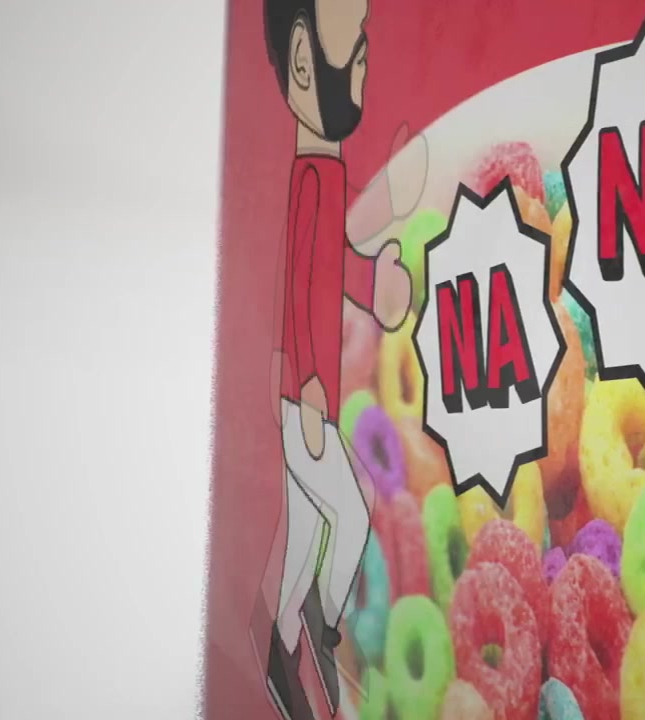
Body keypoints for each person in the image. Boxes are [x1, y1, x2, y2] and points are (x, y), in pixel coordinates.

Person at [261, 0, 413, 717]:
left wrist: (377, 283)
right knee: (349, 515)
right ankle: (321, 633)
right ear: (302, 62)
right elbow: (300, 289)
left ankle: (281, 652)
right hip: (307, 398)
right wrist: (310, 386)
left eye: (363, 55)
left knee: (304, 538)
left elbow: (332, 268)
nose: (361, 70)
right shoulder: (310, 180)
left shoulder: (323, 174)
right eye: (351, 53)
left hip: (302, 393)